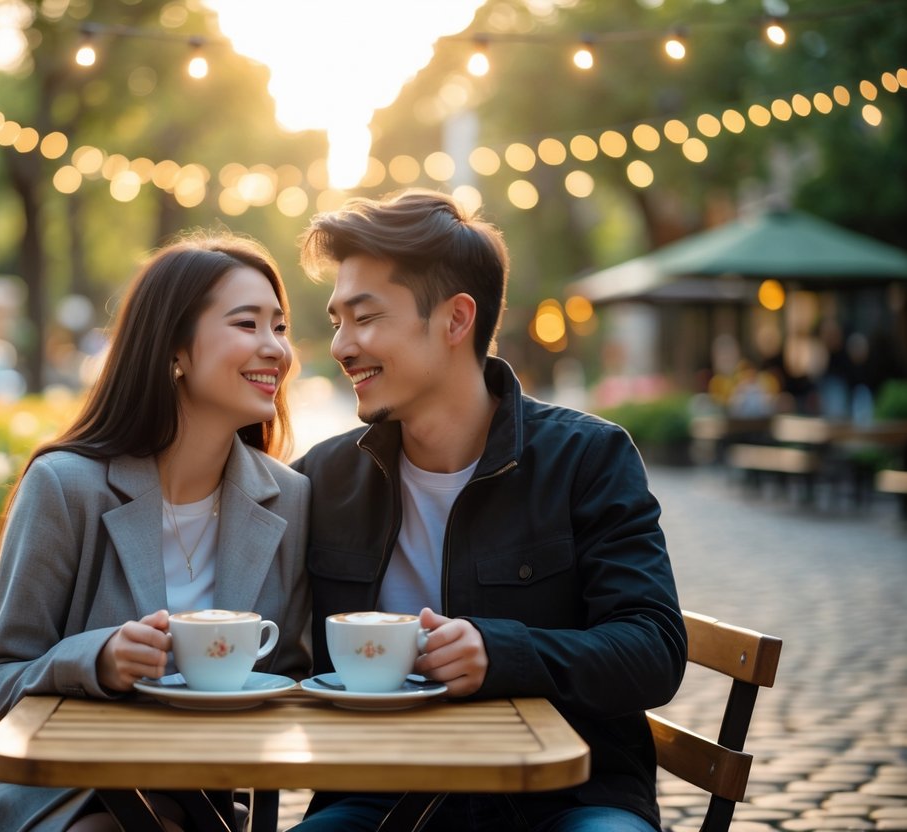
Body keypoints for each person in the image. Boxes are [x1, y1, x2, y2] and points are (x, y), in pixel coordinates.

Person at [290, 190, 687, 832]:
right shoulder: (323, 477)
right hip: (377, 794)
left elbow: (654, 648)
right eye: (337, 320)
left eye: (365, 317)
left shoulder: (588, 458)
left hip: (569, 797)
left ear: (455, 320)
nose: (341, 344)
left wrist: (501, 653)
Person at [0, 234, 311, 832]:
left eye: (280, 326)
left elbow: (286, 677)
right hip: (51, 806)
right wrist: (99, 660)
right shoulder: (65, 486)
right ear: (174, 351)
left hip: (200, 808)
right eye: (247, 324)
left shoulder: (288, 499)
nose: (276, 350)